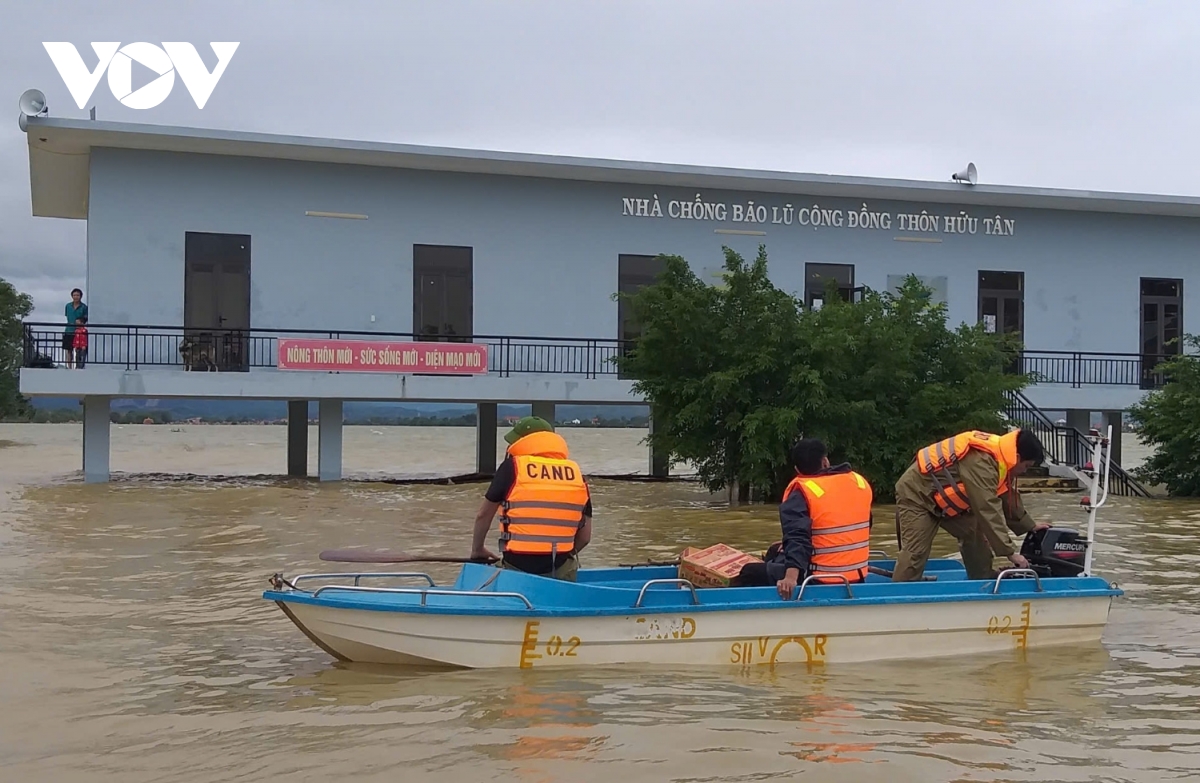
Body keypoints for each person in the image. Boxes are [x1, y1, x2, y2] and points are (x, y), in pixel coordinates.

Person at [892, 428, 1050, 582]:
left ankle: (982, 580)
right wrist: (1010, 553)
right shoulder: (982, 460)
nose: (1024, 471)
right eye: (1026, 466)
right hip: (917, 495)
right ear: (1017, 456)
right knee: (915, 552)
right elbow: (987, 508)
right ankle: (900, 595)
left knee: (975, 535)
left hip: (944, 502)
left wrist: (1030, 525)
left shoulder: (1000, 459)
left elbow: (1007, 496)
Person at [735, 438, 874, 600]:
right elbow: (862, 526)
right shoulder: (857, 482)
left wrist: (790, 578)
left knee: (748, 572)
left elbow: (798, 537)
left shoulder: (802, 493)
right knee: (775, 550)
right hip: (857, 573)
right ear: (825, 461)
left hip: (820, 577)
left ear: (797, 469)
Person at [469, 416, 593, 581]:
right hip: (559, 568)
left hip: (517, 566)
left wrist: (478, 550)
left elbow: (483, 515)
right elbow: (585, 537)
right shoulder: (576, 474)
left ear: (523, 441)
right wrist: (559, 556)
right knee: (568, 568)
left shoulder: (512, 467)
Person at [63, 288, 87, 369]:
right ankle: (69, 366)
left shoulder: (84, 307)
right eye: (74, 295)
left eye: (77, 295)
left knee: (79, 350)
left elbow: (85, 318)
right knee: (69, 350)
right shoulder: (68, 306)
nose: (76, 297)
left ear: (80, 296)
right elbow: (67, 316)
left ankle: (78, 366)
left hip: (79, 331)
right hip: (69, 330)